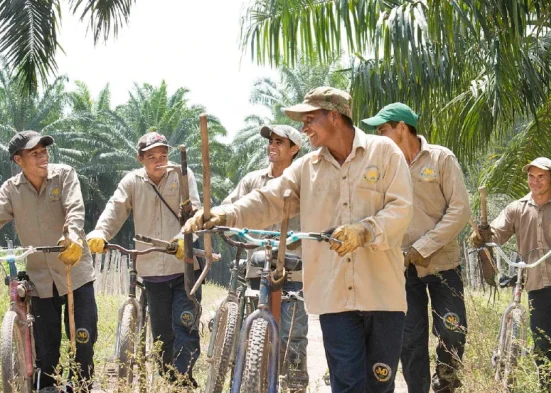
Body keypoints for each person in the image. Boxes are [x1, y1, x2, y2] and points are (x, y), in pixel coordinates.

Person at [183, 87, 413, 393]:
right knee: (348, 385)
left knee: (380, 386)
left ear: (334, 116)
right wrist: (224, 214)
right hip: (334, 299)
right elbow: (268, 200)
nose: (304, 128)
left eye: (309, 119)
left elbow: (401, 209)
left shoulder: (384, 153)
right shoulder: (307, 168)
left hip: (382, 294)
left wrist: (364, 231)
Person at [0, 130, 91, 392]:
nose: (43, 157)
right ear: (18, 160)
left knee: (83, 339)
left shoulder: (64, 175)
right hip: (40, 279)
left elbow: (74, 209)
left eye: (44, 151)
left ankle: (82, 386)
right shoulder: (12, 189)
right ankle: (47, 387)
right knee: (46, 348)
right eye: (34, 153)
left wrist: (72, 237)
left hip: (74, 270)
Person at [363, 103, 470, 393]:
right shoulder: (383, 168)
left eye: (382, 130)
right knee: (409, 340)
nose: (378, 136)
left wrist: (423, 247)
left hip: (443, 264)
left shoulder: (441, 158)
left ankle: (445, 382)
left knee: (452, 329)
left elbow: (460, 209)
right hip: (400, 269)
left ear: (401, 128)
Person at [85, 131, 202, 386]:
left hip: (184, 267)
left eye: (163, 155)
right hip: (152, 271)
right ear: (140, 159)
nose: (159, 161)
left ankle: (183, 381)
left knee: (185, 325)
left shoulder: (183, 175)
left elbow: (196, 211)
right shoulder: (132, 182)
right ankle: (169, 378)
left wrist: (184, 238)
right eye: (152, 157)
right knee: (162, 334)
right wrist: (100, 232)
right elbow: (115, 209)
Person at [470, 157, 551, 392]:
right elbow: (496, 232)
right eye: (531, 176)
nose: (535, 181)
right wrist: (482, 235)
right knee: (543, 344)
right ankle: (549, 388)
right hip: (537, 285)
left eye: (541, 176)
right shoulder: (517, 209)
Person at [220, 124, 309, 391]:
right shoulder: (252, 181)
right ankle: (246, 380)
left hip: (293, 271)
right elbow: (230, 207)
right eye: (271, 141)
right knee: (249, 331)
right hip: (257, 269)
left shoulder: (305, 183)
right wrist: (217, 218)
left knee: (293, 335)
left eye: (280, 142)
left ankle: (294, 385)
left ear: (294, 149)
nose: (272, 146)